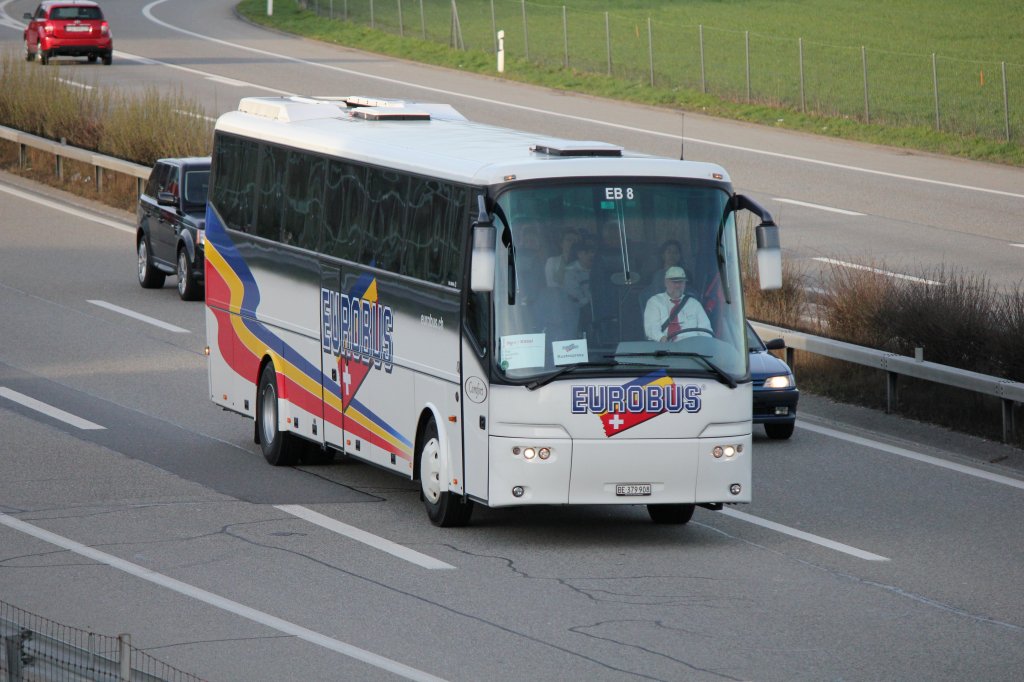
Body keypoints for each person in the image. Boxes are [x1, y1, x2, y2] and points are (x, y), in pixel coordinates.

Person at [643, 266, 712, 342]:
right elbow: (651, 328)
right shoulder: (655, 302)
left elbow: (706, 330)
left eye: (681, 282)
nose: (678, 285)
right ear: (666, 283)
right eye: (674, 282)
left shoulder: (694, 304)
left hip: (692, 348)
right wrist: (662, 338)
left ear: (685, 284)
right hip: (665, 348)